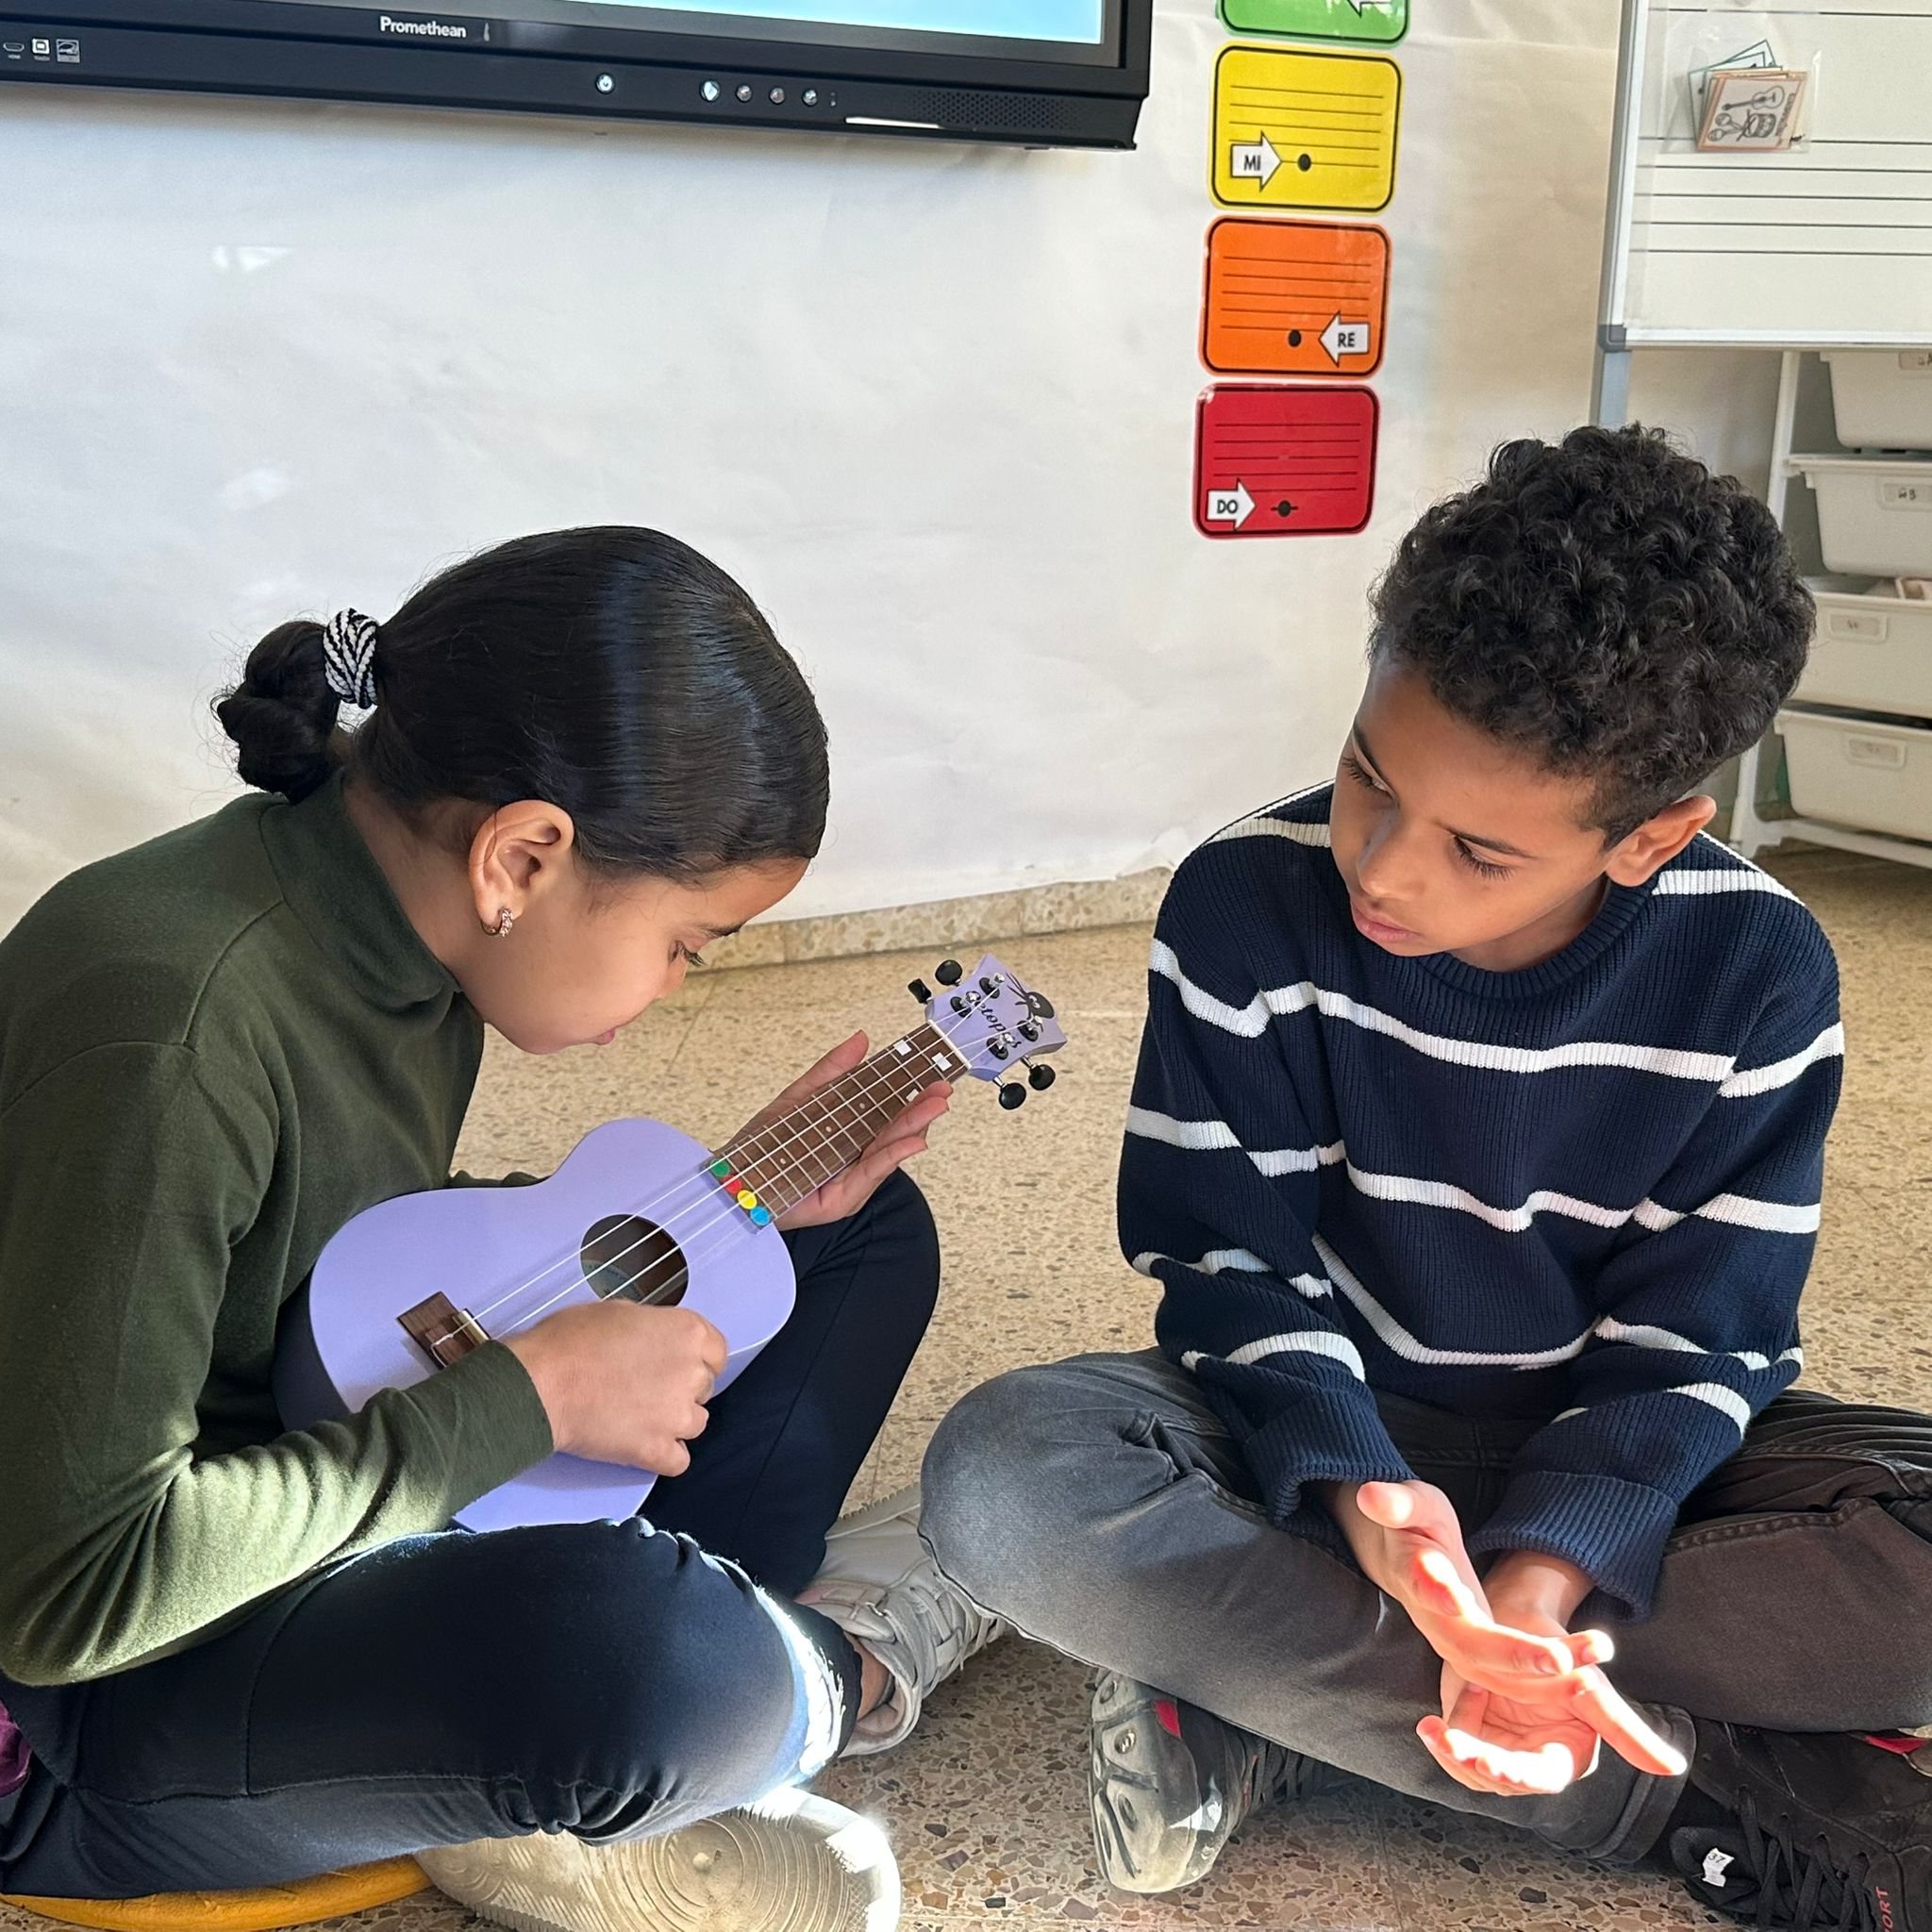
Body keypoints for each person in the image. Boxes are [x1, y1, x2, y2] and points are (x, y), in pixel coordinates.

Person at [923, 428, 1932, 1932]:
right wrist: (1368, 1508)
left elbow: (1700, 1335)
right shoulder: (1243, 904)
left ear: (1652, 838)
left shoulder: (1759, 969)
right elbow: (1229, 1262)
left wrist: (1542, 1575)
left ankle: (1284, 1697)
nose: (1385, 870)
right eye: (1366, 777)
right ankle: (1686, 1795)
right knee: (1009, 1480)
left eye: (1479, 851)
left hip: (1631, 1462)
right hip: (1318, 1432)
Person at [0, 527, 1002, 1932]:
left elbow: (323, 1252)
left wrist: (729, 1206)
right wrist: (526, 1400)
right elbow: (70, 1598)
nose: (678, 983)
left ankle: (569, 1727)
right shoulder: (172, 1039)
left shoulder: (402, 941)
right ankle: (828, 1667)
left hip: (310, 1450)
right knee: (653, 1670)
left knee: (852, 1238)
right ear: (522, 856)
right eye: (686, 944)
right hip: (89, 1712)